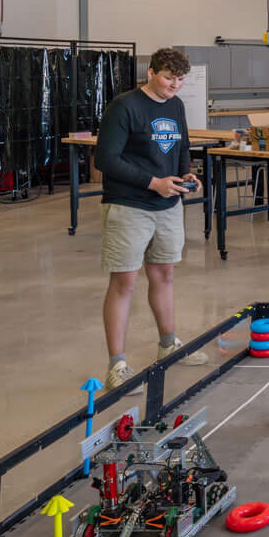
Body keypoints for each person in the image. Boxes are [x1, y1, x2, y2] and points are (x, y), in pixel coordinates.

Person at [95, 47, 204, 387]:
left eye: (180, 80)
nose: (175, 85)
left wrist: (186, 174)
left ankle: (168, 344)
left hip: (168, 205)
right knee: (124, 282)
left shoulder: (176, 106)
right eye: (168, 78)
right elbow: (105, 159)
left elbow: (182, 146)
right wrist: (153, 182)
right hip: (129, 206)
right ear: (151, 74)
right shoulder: (124, 107)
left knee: (164, 276)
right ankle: (117, 365)